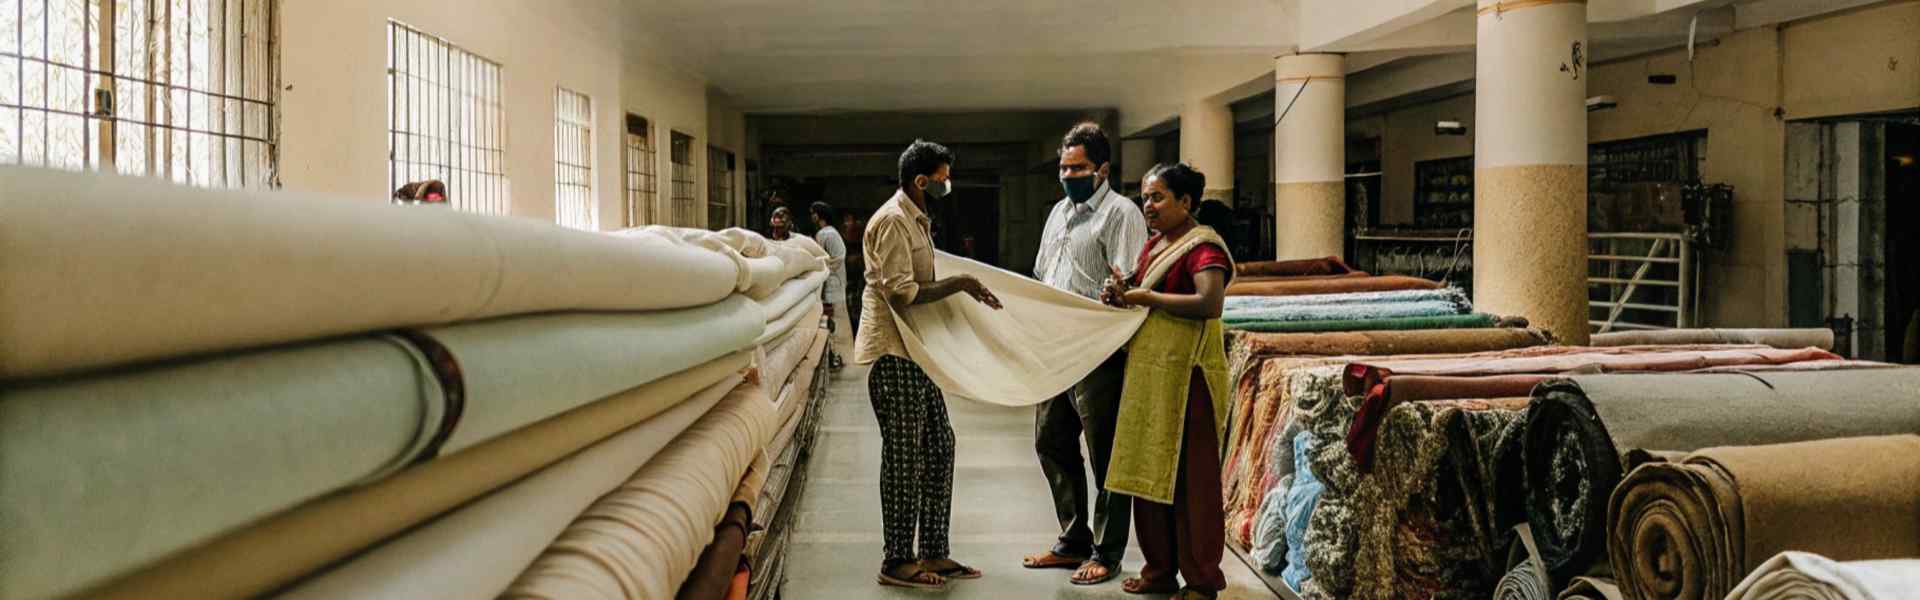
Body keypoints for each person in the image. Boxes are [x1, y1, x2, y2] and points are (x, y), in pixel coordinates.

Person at [855, 139, 1001, 589]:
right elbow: (901, 290)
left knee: (940, 446)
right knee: (903, 457)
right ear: (921, 181)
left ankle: (934, 552)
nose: (946, 184)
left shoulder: (917, 220)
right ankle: (897, 560)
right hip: (895, 352)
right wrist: (960, 283)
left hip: (917, 352)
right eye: (942, 178)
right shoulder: (893, 222)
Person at [1023, 122, 1150, 586]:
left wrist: (1114, 296)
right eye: (1063, 167)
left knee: (1106, 454)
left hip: (1099, 349)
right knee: (1050, 439)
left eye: (1077, 167)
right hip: (1056, 346)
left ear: (1102, 169)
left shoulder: (1121, 214)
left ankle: (1107, 550)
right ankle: (1072, 538)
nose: (1068, 174)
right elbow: (1043, 273)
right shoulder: (1058, 213)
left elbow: (1129, 282)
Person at [1100, 163, 1233, 599]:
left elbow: (1209, 303)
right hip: (1152, 375)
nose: (1148, 206)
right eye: (1145, 198)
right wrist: (1122, 295)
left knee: (1191, 481)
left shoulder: (1202, 246)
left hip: (1187, 377)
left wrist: (1147, 297)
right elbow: (1142, 294)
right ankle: (1159, 571)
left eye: (1157, 198)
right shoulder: (1156, 246)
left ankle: (1201, 580)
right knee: (1150, 470)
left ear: (1186, 202)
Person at [810, 201, 850, 369]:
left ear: (819, 215)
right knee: (832, 321)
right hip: (832, 283)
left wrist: (818, 266)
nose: (811, 216)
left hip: (832, 284)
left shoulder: (827, 234)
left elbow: (837, 257)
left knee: (833, 322)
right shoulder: (827, 233)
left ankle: (836, 355)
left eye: (813, 213)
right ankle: (834, 355)